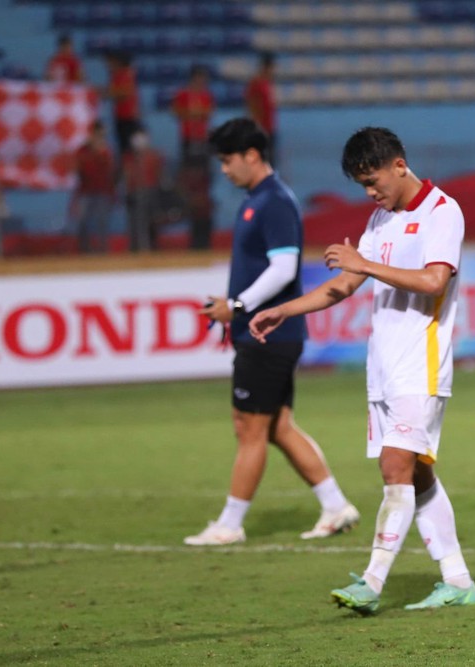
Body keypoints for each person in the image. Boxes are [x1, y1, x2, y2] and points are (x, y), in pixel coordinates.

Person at [249, 127, 475, 614]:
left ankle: (371, 583)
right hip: (385, 370)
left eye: (374, 181)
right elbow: (344, 285)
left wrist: (367, 266)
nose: (371, 192)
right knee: (414, 475)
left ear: (400, 165)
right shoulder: (380, 220)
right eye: (363, 186)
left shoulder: (443, 212)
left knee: (393, 466)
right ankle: (458, 579)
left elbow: (434, 279)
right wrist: (284, 310)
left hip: (422, 364)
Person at [186, 118, 359, 546]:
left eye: (228, 160)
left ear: (251, 156)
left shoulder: (273, 202)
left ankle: (230, 523)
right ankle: (336, 506)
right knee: (278, 426)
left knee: (249, 427)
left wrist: (239, 305)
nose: (223, 170)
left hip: (267, 334)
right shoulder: (258, 200)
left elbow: (284, 269)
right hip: (269, 333)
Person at [172, 64, 216, 249]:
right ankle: (193, 235)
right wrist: (194, 114)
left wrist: (195, 114)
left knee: (204, 187)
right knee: (190, 187)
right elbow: (178, 112)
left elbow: (208, 113)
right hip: (188, 142)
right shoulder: (183, 95)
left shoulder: (206, 96)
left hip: (202, 143)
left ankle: (204, 235)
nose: (201, 82)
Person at [71, 120, 116, 254]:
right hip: (86, 191)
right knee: (83, 222)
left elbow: (110, 171)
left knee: (102, 223)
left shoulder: (106, 151)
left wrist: (100, 152)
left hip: (102, 191)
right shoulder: (82, 150)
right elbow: (77, 169)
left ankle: (102, 251)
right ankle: (84, 250)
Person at [122, 127, 166, 252]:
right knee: (137, 223)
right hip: (135, 193)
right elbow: (127, 176)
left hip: (152, 192)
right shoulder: (129, 158)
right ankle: (140, 248)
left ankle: (151, 247)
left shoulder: (154, 156)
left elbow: (159, 174)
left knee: (152, 222)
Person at [103, 50, 140, 155]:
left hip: (129, 116)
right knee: (123, 146)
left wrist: (109, 93)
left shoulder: (126, 74)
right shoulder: (116, 75)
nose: (108, 65)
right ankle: (127, 168)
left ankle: (130, 169)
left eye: (109, 62)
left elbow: (125, 93)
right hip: (120, 116)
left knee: (129, 146)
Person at [245, 53, 277, 164]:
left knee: (270, 161)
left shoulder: (268, 83)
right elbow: (251, 104)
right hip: (261, 127)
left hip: (270, 126)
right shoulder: (256, 83)